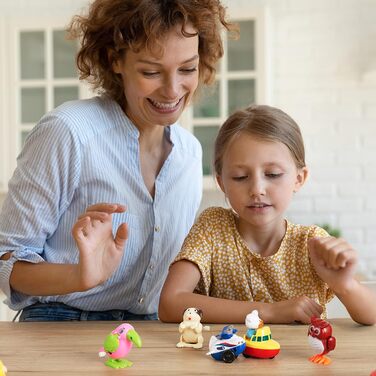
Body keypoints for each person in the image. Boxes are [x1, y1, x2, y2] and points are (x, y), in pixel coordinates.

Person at [0, 0, 235, 321]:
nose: (172, 89)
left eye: (187, 69)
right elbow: (7, 258)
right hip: (61, 321)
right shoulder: (70, 132)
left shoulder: (190, 153)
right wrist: (79, 275)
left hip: (152, 330)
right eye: (151, 71)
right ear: (115, 60)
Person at [158, 105, 376, 325]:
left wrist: (345, 286)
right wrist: (269, 312)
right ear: (221, 182)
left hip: (299, 359)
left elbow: (371, 317)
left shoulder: (311, 243)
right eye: (240, 177)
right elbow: (170, 304)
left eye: (272, 174)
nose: (257, 189)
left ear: (299, 179)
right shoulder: (213, 228)